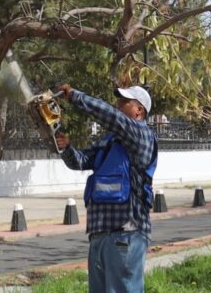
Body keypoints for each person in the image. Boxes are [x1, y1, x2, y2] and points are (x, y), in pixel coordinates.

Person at [55, 84, 158, 293]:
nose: (118, 105)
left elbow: (111, 116)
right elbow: (81, 161)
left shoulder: (141, 135)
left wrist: (76, 96)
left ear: (139, 110)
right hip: (100, 235)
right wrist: (66, 148)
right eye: (118, 101)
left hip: (125, 235)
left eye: (124, 102)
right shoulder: (109, 141)